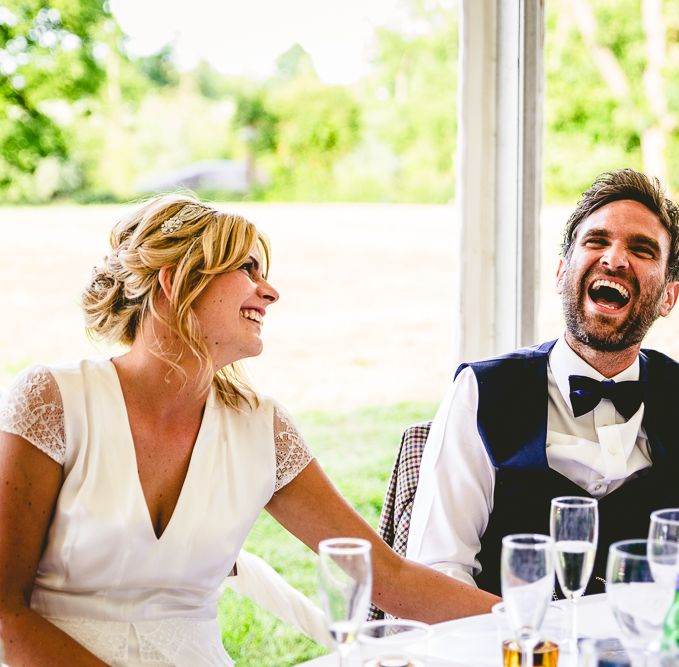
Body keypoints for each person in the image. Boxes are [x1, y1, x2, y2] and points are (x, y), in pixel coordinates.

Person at [0, 195, 498, 667]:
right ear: (174, 283)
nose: (271, 291)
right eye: (247, 268)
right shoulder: (53, 401)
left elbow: (387, 577)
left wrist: (534, 625)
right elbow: (5, 611)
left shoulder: (263, 428)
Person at [405, 168, 679, 596]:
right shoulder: (481, 393)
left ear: (668, 296)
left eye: (642, 249)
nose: (614, 259)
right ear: (561, 273)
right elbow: (439, 572)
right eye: (596, 241)